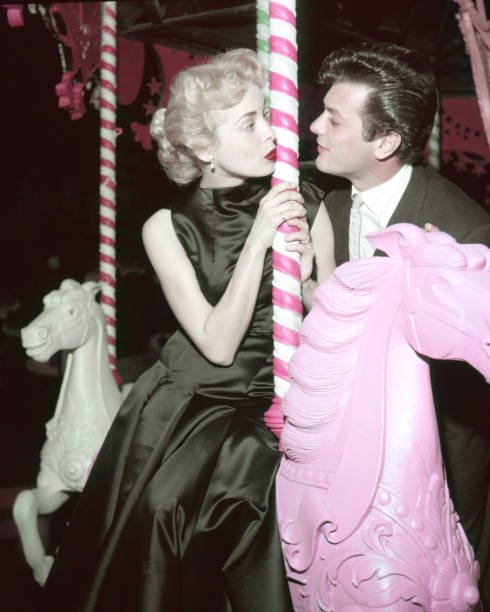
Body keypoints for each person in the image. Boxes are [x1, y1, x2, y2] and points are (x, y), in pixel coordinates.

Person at [41, 49, 335, 611]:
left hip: (283, 397)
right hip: (196, 402)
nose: (270, 131)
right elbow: (218, 344)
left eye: (267, 114)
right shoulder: (166, 229)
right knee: (167, 513)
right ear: (204, 147)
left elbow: (336, 320)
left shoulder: (306, 202)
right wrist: (260, 241)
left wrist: (306, 286)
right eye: (249, 122)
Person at [309, 40, 490, 606]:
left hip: (442, 446)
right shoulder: (330, 208)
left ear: (384, 141)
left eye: (334, 119)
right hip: (352, 447)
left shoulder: (462, 230)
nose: (315, 125)